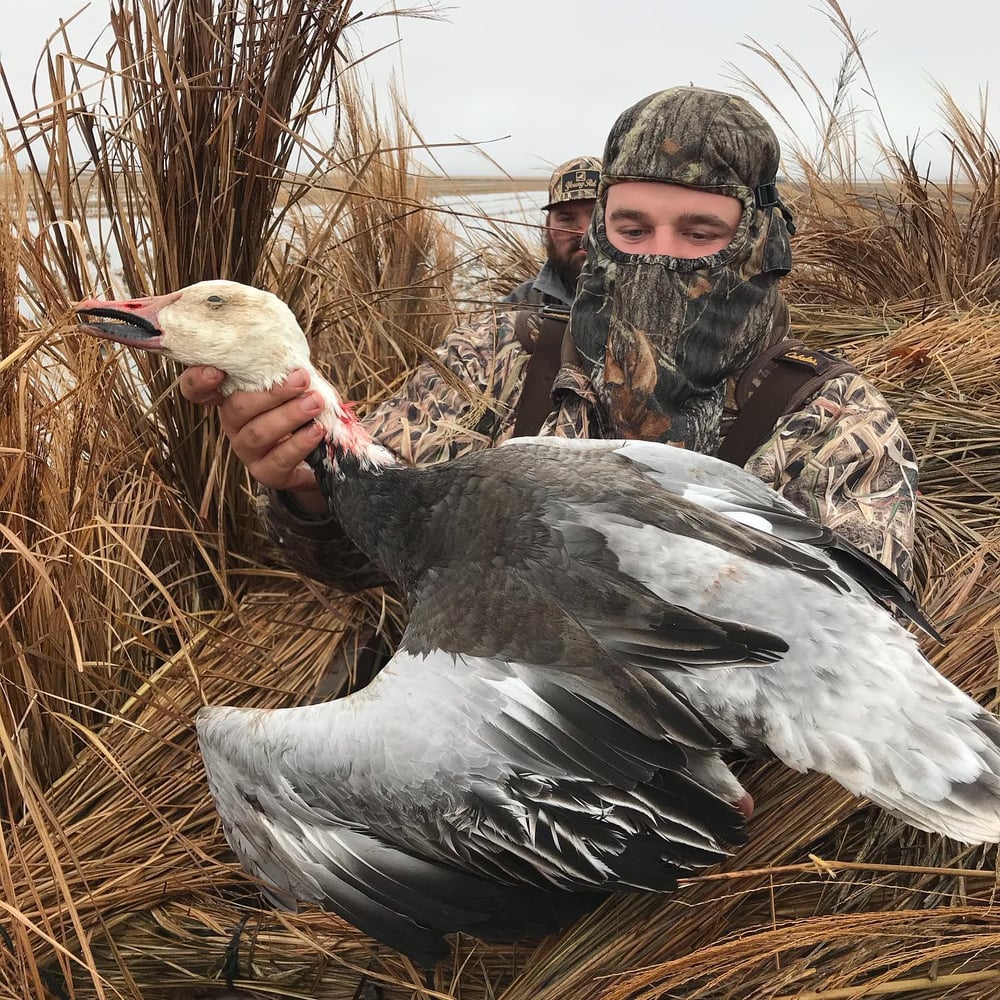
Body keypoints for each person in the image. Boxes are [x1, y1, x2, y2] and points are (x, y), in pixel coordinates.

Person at [180, 86, 917, 594]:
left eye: (700, 233)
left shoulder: (834, 425)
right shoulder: (498, 356)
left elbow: (850, 659)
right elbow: (361, 561)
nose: (655, 255)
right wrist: (309, 491)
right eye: (631, 230)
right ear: (599, 232)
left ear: (758, 243)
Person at [502, 155, 601, 309]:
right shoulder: (523, 302)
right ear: (548, 226)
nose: (584, 233)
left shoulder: (648, 298)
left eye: (597, 217)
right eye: (567, 219)